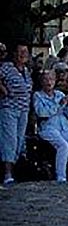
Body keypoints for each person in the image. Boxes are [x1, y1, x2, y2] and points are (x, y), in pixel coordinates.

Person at [33, 70, 68, 183]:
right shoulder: (38, 96)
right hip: (48, 126)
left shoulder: (59, 94)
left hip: (64, 125)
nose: (49, 82)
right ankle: (61, 177)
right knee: (63, 145)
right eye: (46, 79)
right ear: (41, 82)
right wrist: (59, 104)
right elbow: (42, 112)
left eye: (51, 79)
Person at [0, 43, 32, 185]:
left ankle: (15, 171)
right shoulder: (6, 67)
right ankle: (7, 174)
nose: (22, 54)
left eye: (25, 51)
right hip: (9, 108)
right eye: (20, 51)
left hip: (23, 110)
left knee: (19, 141)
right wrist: (4, 89)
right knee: (9, 140)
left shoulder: (26, 71)